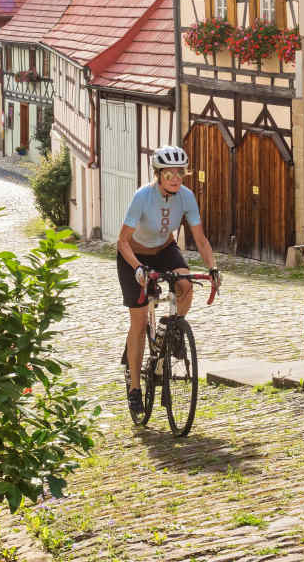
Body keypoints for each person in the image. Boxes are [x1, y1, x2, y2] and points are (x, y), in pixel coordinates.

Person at [116, 145, 220, 416]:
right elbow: (122, 241)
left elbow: (200, 238)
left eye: (180, 173)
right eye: (169, 173)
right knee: (138, 324)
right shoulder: (143, 196)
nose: (175, 178)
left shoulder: (186, 197)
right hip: (133, 255)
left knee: (185, 283)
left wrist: (213, 268)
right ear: (158, 174)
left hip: (164, 249)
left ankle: (172, 330)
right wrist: (138, 268)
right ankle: (135, 389)